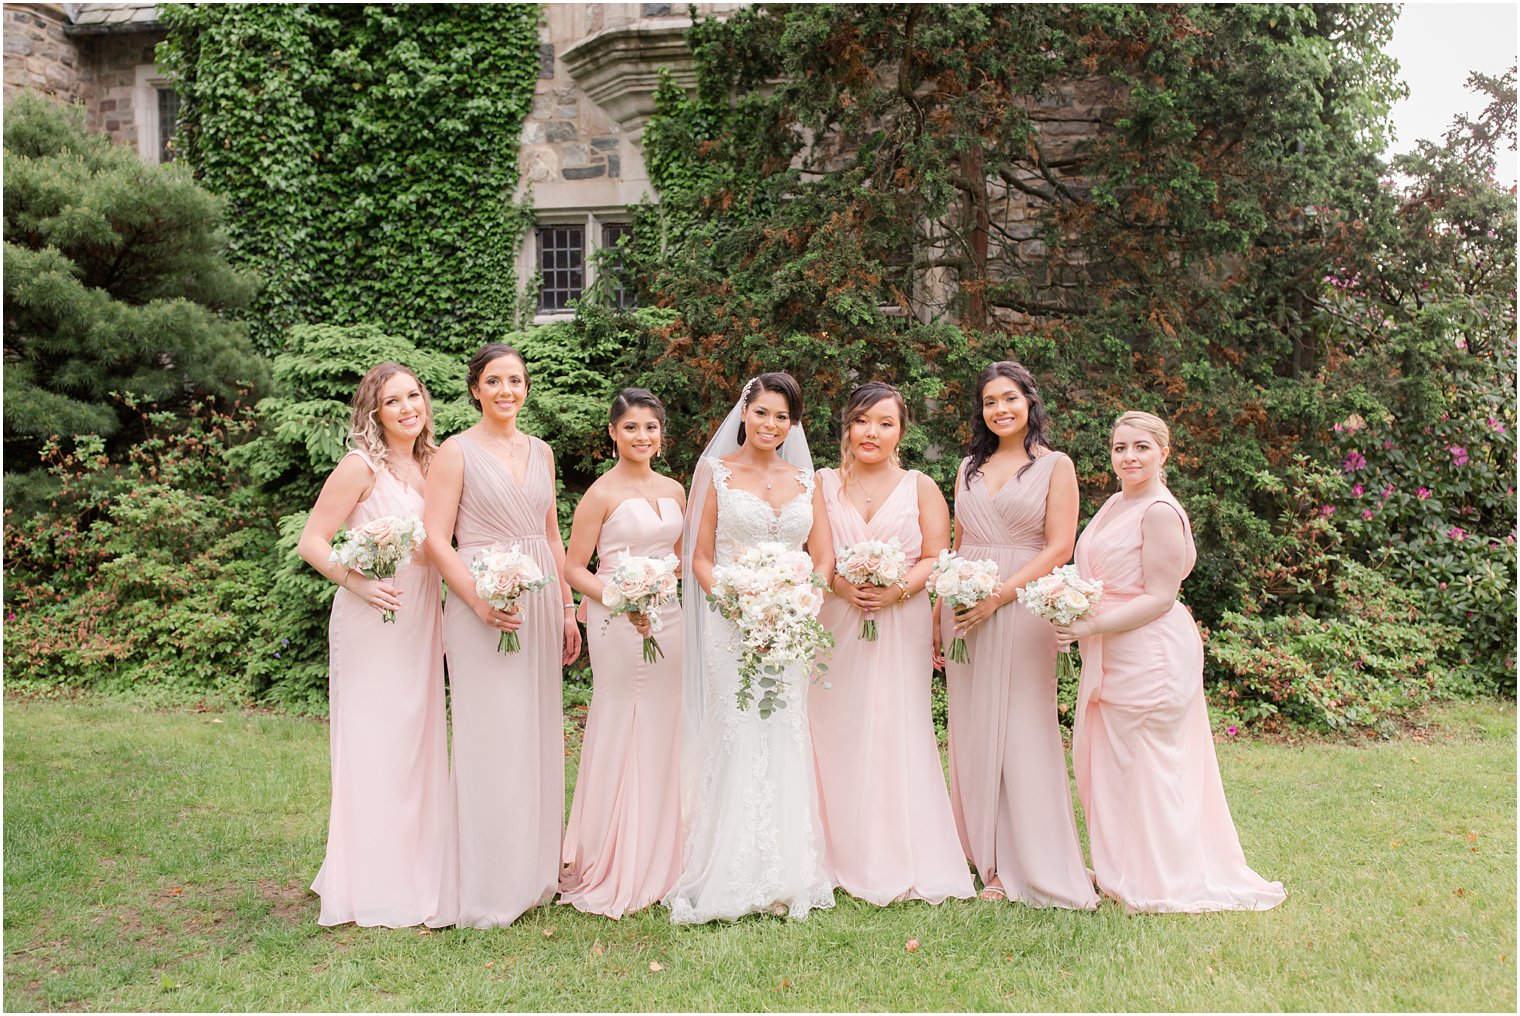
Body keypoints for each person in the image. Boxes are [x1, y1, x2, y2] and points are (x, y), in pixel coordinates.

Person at [1057, 410, 1286, 913]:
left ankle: (1163, 880)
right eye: (1120, 448)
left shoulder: (1158, 511)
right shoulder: (1116, 503)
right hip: (1113, 648)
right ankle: (1124, 871)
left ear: (1164, 452)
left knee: (1150, 762)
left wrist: (1088, 625)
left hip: (1151, 652)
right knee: (1116, 764)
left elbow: (1161, 596)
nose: (1129, 457)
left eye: (1141, 447)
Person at [663, 372, 837, 923]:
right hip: (732, 622)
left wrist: (798, 601)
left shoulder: (806, 479)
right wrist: (739, 603)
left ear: (794, 423)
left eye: (782, 416)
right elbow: (700, 558)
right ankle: (729, 870)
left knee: (783, 730)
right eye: (762, 412)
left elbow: (824, 558)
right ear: (744, 412)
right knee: (737, 731)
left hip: (788, 626)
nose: (771, 425)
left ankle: (787, 871)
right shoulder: (716, 473)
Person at [422, 342, 582, 928]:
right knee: (491, 734)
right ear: (475, 389)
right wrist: (479, 600)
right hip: (479, 602)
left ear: (526, 387)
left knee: (535, 731)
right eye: (494, 381)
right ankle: (488, 883)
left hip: (538, 603)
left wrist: (567, 610)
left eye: (515, 380)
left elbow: (554, 536)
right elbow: (436, 538)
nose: (506, 391)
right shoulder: (455, 453)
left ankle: (535, 873)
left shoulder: (541, 451)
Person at [938, 361, 1098, 909]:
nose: (999, 409)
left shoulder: (1056, 466)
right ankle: (987, 860)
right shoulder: (967, 467)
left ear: (1030, 401)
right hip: (964, 607)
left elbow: (1059, 548)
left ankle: (1036, 859)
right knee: (974, 725)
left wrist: (999, 595)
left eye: (1009, 398)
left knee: (1024, 726)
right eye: (989, 401)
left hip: (1022, 601)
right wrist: (951, 601)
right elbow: (960, 541)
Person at [298, 362, 452, 927]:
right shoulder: (359, 467)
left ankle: (422, 866)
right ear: (374, 412)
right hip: (371, 619)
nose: (409, 407)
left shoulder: (435, 465)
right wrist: (358, 583)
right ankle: (373, 877)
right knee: (377, 739)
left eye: (415, 395)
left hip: (421, 616)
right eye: (393, 401)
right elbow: (311, 541)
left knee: (418, 735)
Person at [811, 382, 975, 906]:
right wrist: (842, 585)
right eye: (863, 421)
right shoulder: (820, 483)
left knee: (895, 725)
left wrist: (896, 587)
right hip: (837, 619)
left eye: (885, 423)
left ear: (901, 432)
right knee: (836, 726)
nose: (872, 433)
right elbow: (816, 554)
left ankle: (898, 853)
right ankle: (834, 854)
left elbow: (934, 554)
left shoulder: (920, 485)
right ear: (847, 426)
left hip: (900, 618)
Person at [560, 388, 686, 918]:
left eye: (651, 427)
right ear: (612, 433)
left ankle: (668, 850)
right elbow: (572, 567)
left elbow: (680, 559)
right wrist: (620, 596)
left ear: (661, 433)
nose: (642, 437)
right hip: (617, 620)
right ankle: (613, 852)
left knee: (667, 723)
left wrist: (660, 586)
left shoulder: (676, 490)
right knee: (623, 719)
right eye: (631, 427)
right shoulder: (601, 494)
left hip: (671, 619)